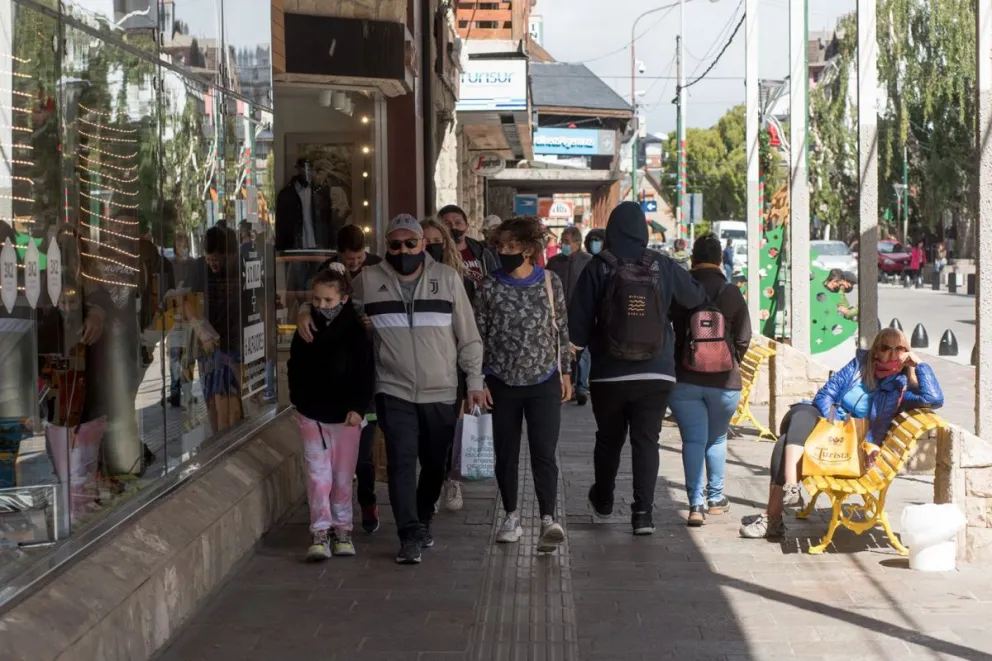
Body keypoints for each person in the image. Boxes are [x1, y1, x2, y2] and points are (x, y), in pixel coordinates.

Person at [353, 214, 486, 564]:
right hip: (392, 388)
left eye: (410, 243)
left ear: (423, 244)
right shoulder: (367, 280)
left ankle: (423, 518)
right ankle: (409, 533)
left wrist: (474, 382)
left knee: (433, 465)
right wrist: (307, 309)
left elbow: (468, 336)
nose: (403, 250)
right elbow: (334, 308)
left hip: (441, 389)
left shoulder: (448, 279)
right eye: (395, 244)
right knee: (400, 460)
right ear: (386, 247)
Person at [569, 201, 706, 535]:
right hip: (656, 371)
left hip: (608, 374)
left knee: (609, 440)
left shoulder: (598, 266)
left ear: (612, 230)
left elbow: (577, 329)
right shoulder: (661, 264)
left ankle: (603, 500)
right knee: (647, 441)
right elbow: (697, 298)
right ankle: (643, 514)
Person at [739, 327, 944, 539]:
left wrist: (920, 364)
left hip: (852, 447)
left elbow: (935, 398)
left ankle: (773, 517)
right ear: (876, 351)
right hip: (829, 426)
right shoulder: (858, 366)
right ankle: (791, 488)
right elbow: (826, 393)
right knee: (801, 413)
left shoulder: (901, 389)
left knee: (784, 442)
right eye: (886, 348)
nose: (893, 354)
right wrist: (836, 424)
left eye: (899, 349)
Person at [474, 216, 572, 552]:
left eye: (511, 245)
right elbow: (478, 336)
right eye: (500, 245)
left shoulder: (550, 282)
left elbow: (561, 328)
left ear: (529, 249)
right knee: (506, 453)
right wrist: (478, 379)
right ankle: (511, 516)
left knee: (544, 453)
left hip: (543, 379)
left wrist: (566, 372)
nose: (504, 251)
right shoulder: (488, 286)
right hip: (501, 381)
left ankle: (548, 518)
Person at [297, 222, 383, 533]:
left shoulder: (379, 269)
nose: (355, 265)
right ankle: (332, 522)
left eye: (359, 259)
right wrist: (305, 311)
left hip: (366, 384)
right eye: (349, 261)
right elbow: (315, 302)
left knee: (361, 460)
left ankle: (367, 502)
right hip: (327, 398)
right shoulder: (326, 274)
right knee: (330, 468)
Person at [288, 268, 374, 560]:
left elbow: (365, 372)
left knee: (342, 476)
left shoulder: (356, 331)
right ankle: (320, 531)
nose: (322, 306)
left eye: (328, 300)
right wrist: (299, 401)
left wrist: (358, 407)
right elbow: (295, 366)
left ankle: (342, 529)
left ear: (343, 298)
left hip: (347, 417)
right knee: (317, 475)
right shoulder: (306, 328)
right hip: (312, 413)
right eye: (317, 300)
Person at [668, 234, 752, 527]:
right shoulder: (731, 292)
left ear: (692, 258)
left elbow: (669, 332)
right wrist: (725, 359)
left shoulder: (681, 290)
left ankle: (695, 504)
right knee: (716, 438)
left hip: (684, 380)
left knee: (693, 439)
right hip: (725, 382)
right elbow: (743, 338)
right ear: (720, 260)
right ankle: (716, 498)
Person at [421, 217, 474, 512]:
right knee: (427, 431)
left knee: (450, 424)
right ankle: (434, 478)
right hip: (420, 366)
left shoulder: (459, 278)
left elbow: (471, 329)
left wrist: (474, 375)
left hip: (453, 365)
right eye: (424, 242)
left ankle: (451, 479)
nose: (430, 247)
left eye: (435, 242)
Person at [547, 226, 593, 405]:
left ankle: (581, 387)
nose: (563, 245)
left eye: (566, 242)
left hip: (581, 312)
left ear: (577, 243)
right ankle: (567, 385)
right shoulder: (554, 262)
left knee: (581, 351)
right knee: (561, 349)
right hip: (558, 312)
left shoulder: (588, 261)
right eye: (562, 241)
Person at [438, 204, 499, 286]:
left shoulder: (482, 254)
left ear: (467, 226)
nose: (453, 227)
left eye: (458, 223)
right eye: (447, 224)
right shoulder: (436, 255)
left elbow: (494, 285)